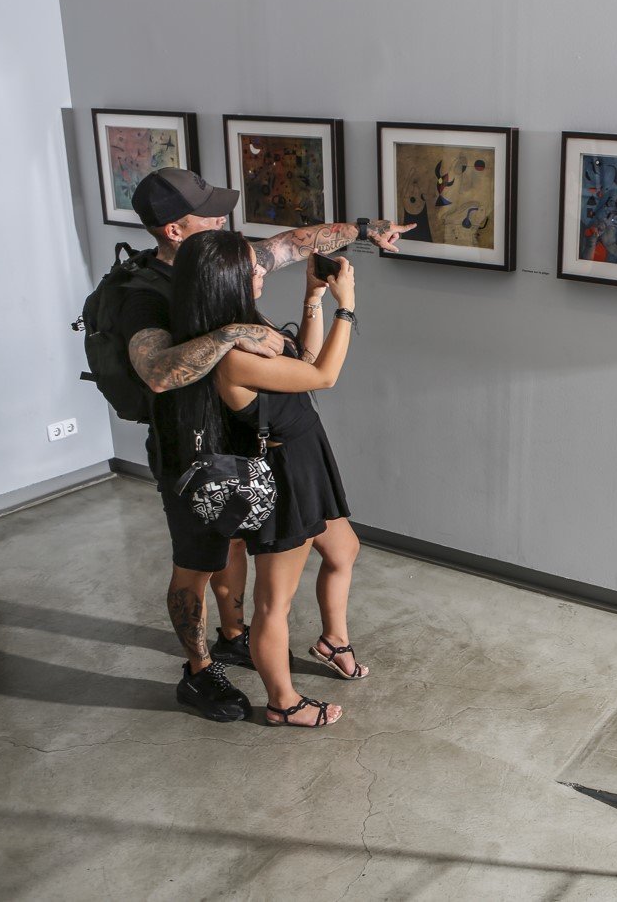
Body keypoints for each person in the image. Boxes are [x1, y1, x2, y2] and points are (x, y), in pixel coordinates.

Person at [116, 167, 408, 721]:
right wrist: (232, 336)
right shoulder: (145, 298)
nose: (224, 219)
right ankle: (201, 671)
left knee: (256, 559)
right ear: (175, 230)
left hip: (256, 439)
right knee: (199, 566)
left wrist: (365, 230)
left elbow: (292, 244)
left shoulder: (223, 263)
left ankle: (237, 635)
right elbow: (156, 371)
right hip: (192, 452)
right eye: (208, 213)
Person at [165, 230, 364, 726]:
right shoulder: (232, 356)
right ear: (225, 281)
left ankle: (332, 640)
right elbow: (324, 377)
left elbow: (305, 361)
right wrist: (348, 306)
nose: (260, 272)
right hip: (285, 478)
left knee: (344, 551)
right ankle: (283, 702)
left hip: (308, 460)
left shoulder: (246, 328)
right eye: (251, 268)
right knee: (274, 604)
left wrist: (313, 297)